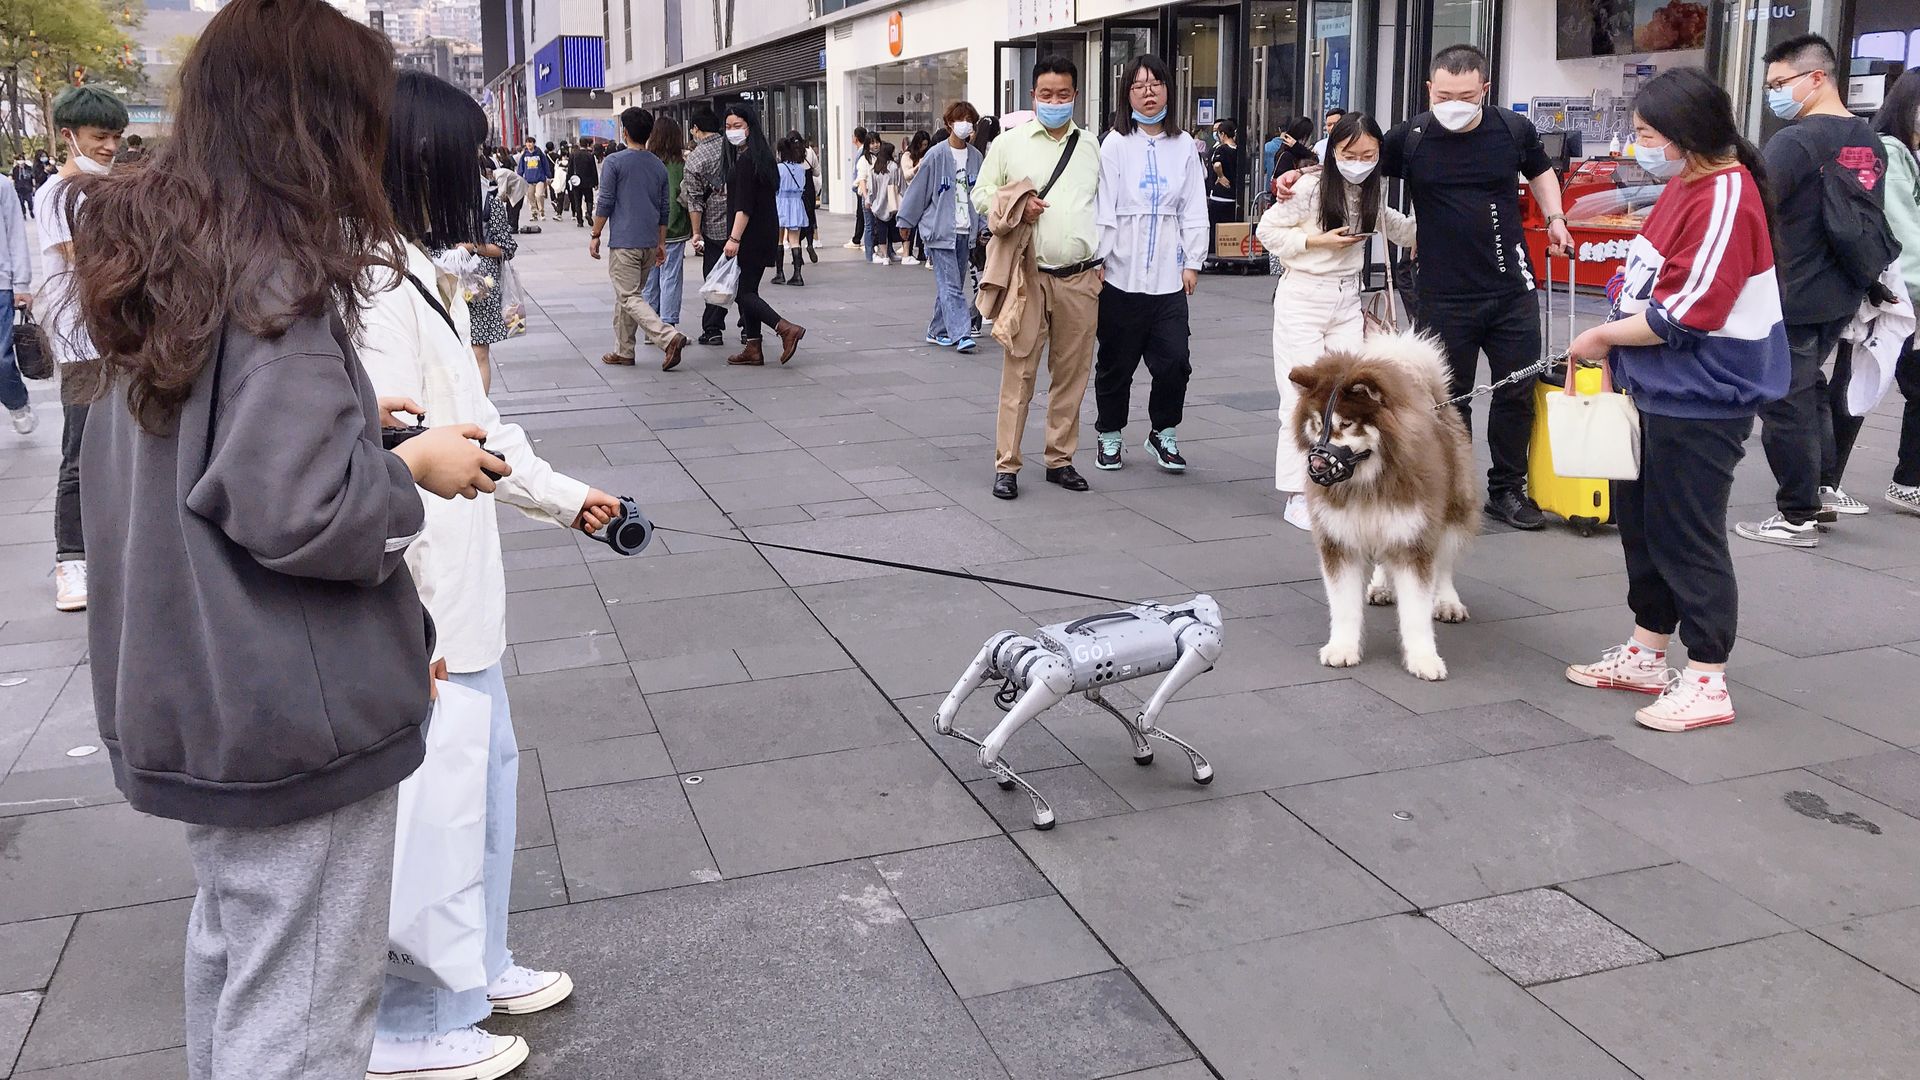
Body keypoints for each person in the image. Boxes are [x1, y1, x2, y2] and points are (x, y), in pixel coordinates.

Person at [69, 4, 512, 1076]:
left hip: (194, 697)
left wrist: (362, 433)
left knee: (237, 966)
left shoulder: (166, 262)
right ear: (315, 124)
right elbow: (307, 511)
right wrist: (408, 472)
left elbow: (207, 472)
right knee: (305, 1014)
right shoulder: (279, 285)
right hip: (288, 714)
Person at [362, 71, 622, 1078]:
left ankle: (478, 966)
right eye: (463, 156)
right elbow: (380, 457)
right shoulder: (370, 287)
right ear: (413, 158)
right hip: (422, 603)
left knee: (487, 788)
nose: (477, 174)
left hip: (464, 596)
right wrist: (405, 626)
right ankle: (413, 1023)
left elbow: (477, 423)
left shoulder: (414, 268)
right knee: (431, 818)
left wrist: (567, 497)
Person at [1561, 68, 1789, 732]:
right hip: (1658, 387)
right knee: (1644, 526)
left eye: (1647, 134)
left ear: (1687, 134)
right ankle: (1647, 649)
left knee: (1688, 535)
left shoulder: (1725, 194)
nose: (1639, 147)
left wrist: (1600, 336)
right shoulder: (1687, 184)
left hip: (1702, 393)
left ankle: (1708, 676)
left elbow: (1687, 315)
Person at [1279, 45, 1576, 529]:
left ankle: (1507, 489)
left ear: (1485, 88)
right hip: (1441, 292)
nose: (1454, 102)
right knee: (1447, 400)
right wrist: (1299, 171)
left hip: (1510, 289)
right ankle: (1453, 487)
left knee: (1516, 391)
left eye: (1465, 94)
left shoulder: (1510, 129)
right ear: (1429, 91)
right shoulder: (1411, 137)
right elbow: (1355, 155)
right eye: (1443, 94)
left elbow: (1540, 170)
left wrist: (1557, 218)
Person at [1735, 34, 1891, 549]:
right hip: (1841, 288)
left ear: (1816, 77)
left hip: (1793, 288)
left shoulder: (1795, 141)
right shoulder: (1867, 140)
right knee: (1811, 390)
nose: (1774, 94)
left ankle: (1796, 514)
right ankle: (1821, 490)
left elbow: (1752, 207)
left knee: (1783, 398)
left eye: (1781, 83)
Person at [1258, 112, 1418, 530]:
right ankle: (1298, 492)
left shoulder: (1372, 190)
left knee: (1347, 395)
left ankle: (1337, 478)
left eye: (1369, 153)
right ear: (1335, 151)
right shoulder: (1309, 187)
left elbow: (1393, 225)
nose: (1360, 161)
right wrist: (1315, 240)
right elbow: (1267, 231)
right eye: (1350, 153)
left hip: (1347, 299)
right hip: (1303, 297)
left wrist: (1432, 229)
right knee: (1301, 394)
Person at [973, 54, 1103, 500]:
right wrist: (1017, 206)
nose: (1054, 101)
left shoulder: (1090, 146)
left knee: (1071, 374)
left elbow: (1103, 204)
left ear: (1075, 97)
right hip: (1028, 276)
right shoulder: (1009, 144)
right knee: (1020, 371)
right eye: (1046, 94)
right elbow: (980, 195)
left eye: (1063, 94)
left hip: (1081, 279)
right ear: (1033, 96)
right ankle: (1006, 464)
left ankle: (1059, 459)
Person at [1092, 57, 1209, 475]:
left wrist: (1193, 260)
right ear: (1127, 94)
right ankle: (1109, 433)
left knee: (1175, 361)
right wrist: (1100, 257)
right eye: (1138, 85)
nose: (1148, 91)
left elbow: (1195, 206)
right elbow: (1104, 205)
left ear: (1168, 90)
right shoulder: (1115, 144)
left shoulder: (1184, 146)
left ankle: (1163, 431)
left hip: (1168, 277)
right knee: (1115, 364)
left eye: (1155, 83)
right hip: (1121, 273)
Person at [34, 84, 126, 613]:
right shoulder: (55, 195)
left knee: (115, 452)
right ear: (68, 136)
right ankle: (71, 559)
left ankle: (108, 553)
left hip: (121, 342)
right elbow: (93, 258)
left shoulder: (105, 192)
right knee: (79, 454)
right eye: (99, 136)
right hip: (83, 345)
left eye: (115, 135)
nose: (110, 146)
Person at [592, 107, 689, 371]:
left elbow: (606, 202)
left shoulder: (614, 162)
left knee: (630, 296)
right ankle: (624, 351)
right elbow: (664, 208)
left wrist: (595, 233)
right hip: (649, 242)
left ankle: (668, 337)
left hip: (625, 242)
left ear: (624, 132)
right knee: (627, 297)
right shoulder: (657, 164)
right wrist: (660, 243)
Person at [719, 103, 805, 366]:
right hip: (764, 230)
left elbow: (743, 207)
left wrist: (733, 239)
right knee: (749, 289)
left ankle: (784, 328)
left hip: (750, 234)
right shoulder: (761, 157)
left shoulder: (747, 162)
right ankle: (753, 347)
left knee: (743, 292)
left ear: (749, 128)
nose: (732, 131)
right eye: (728, 127)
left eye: (738, 126)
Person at [898, 100, 986, 352]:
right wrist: (905, 222)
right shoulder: (935, 155)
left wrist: (982, 226)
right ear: (949, 123)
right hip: (939, 231)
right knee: (950, 286)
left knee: (953, 285)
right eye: (960, 119)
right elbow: (918, 191)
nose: (965, 125)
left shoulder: (976, 157)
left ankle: (936, 330)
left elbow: (980, 195)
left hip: (965, 231)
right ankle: (961, 334)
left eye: (969, 120)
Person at [1871, 70, 1920, 516]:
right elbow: (1907, 233)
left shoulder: (1906, 154)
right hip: (1898, 292)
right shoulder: (1892, 153)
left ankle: (1910, 480)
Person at [456, 157, 518, 393]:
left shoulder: (491, 202)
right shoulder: (440, 203)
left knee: (479, 350)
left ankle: (480, 410)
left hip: (479, 286)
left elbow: (505, 248)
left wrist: (471, 246)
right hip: (447, 279)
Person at [682, 106, 735, 347]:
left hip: (714, 228)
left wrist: (696, 233)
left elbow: (694, 200)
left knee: (714, 276)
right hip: (741, 222)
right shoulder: (735, 148)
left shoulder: (694, 158)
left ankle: (713, 329)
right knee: (743, 277)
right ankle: (748, 327)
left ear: (696, 129)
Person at [642, 116, 691, 329]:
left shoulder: (646, 162)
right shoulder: (679, 165)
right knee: (670, 276)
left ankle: (651, 325)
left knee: (650, 278)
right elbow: (677, 198)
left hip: (647, 229)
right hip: (674, 229)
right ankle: (668, 325)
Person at [773, 134, 809, 286]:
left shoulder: (779, 168)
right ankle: (797, 274)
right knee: (794, 240)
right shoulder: (801, 168)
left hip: (781, 203)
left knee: (779, 239)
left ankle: (779, 273)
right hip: (796, 204)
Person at [862, 141, 904, 265]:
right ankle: (891, 253)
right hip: (892, 203)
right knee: (891, 228)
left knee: (881, 230)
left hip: (879, 204)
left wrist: (869, 200)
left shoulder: (875, 168)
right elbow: (899, 185)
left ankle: (885, 255)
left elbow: (872, 188)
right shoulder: (894, 167)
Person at [1206, 117, 1242, 234]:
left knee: (1215, 231)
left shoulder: (1221, 149)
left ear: (1223, 134)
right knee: (1228, 231)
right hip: (1232, 197)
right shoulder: (1239, 150)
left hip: (1219, 196)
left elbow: (1216, 165)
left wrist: (1220, 176)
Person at [900, 129, 931, 266]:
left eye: (926, 145)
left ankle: (922, 252)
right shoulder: (907, 156)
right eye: (922, 145)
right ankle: (908, 251)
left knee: (924, 223)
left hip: (926, 192)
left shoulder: (930, 154)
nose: (924, 148)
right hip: (912, 192)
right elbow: (907, 175)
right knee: (910, 223)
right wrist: (918, 166)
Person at [845, 125, 872, 249]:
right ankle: (857, 238)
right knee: (861, 213)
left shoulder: (862, 152)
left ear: (856, 138)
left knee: (862, 214)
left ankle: (858, 239)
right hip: (860, 186)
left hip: (862, 186)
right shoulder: (861, 151)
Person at [514, 137, 552, 221]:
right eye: (527, 143)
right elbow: (521, 167)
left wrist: (548, 176)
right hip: (528, 180)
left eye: (530, 142)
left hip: (539, 179)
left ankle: (541, 212)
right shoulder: (524, 154)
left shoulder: (539, 153)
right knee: (530, 196)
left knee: (539, 195)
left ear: (534, 143)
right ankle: (534, 212)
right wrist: (519, 176)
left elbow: (545, 165)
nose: (528, 144)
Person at [567, 138, 598, 228]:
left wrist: (569, 180)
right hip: (588, 182)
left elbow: (570, 169)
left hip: (576, 181)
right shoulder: (590, 155)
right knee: (589, 199)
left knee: (578, 201)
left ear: (579, 144)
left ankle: (579, 221)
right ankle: (588, 213)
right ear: (587, 144)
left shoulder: (573, 155)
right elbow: (593, 170)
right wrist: (595, 182)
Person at [801, 134, 821, 262]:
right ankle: (809, 244)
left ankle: (795, 249)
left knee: (795, 221)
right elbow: (817, 172)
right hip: (808, 188)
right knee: (809, 216)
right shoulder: (809, 152)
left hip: (794, 192)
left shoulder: (788, 153)